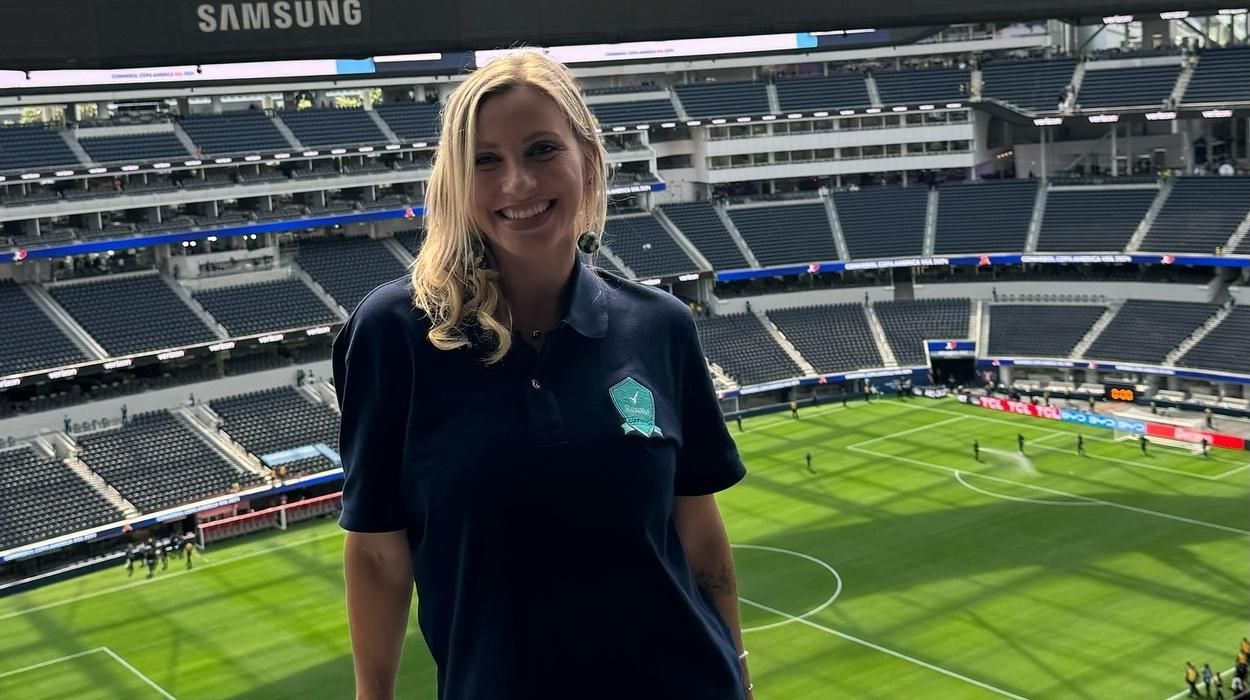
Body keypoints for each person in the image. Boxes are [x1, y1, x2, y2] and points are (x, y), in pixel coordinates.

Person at [333, 52, 752, 700]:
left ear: (588, 158)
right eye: (485, 160)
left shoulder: (661, 325)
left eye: (541, 149)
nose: (519, 182)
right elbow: (379, 554)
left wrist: (741, 675)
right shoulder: (394, 335)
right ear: (455, 182)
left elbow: (698, 530)